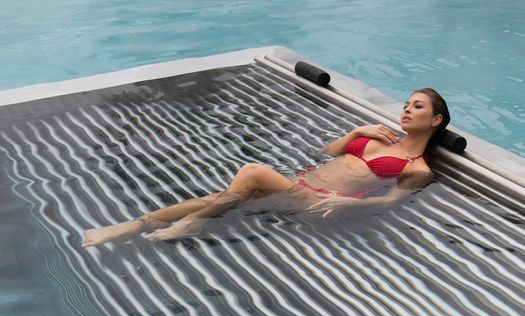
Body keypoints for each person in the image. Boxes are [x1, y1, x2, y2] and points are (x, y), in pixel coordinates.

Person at [83, 87, 450, 247]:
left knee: (252, 171)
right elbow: (327, 151)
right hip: (296, 185)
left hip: (315, 202)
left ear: (435, 121)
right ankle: (129, 226)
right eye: (405, 103)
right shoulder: (379, 136)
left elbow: (389, 204)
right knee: (223, 195)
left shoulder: (418, 168)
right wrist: (355, 130)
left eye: (416, 106)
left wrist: (351, 204)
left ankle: (190, 223)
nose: (405, 109)